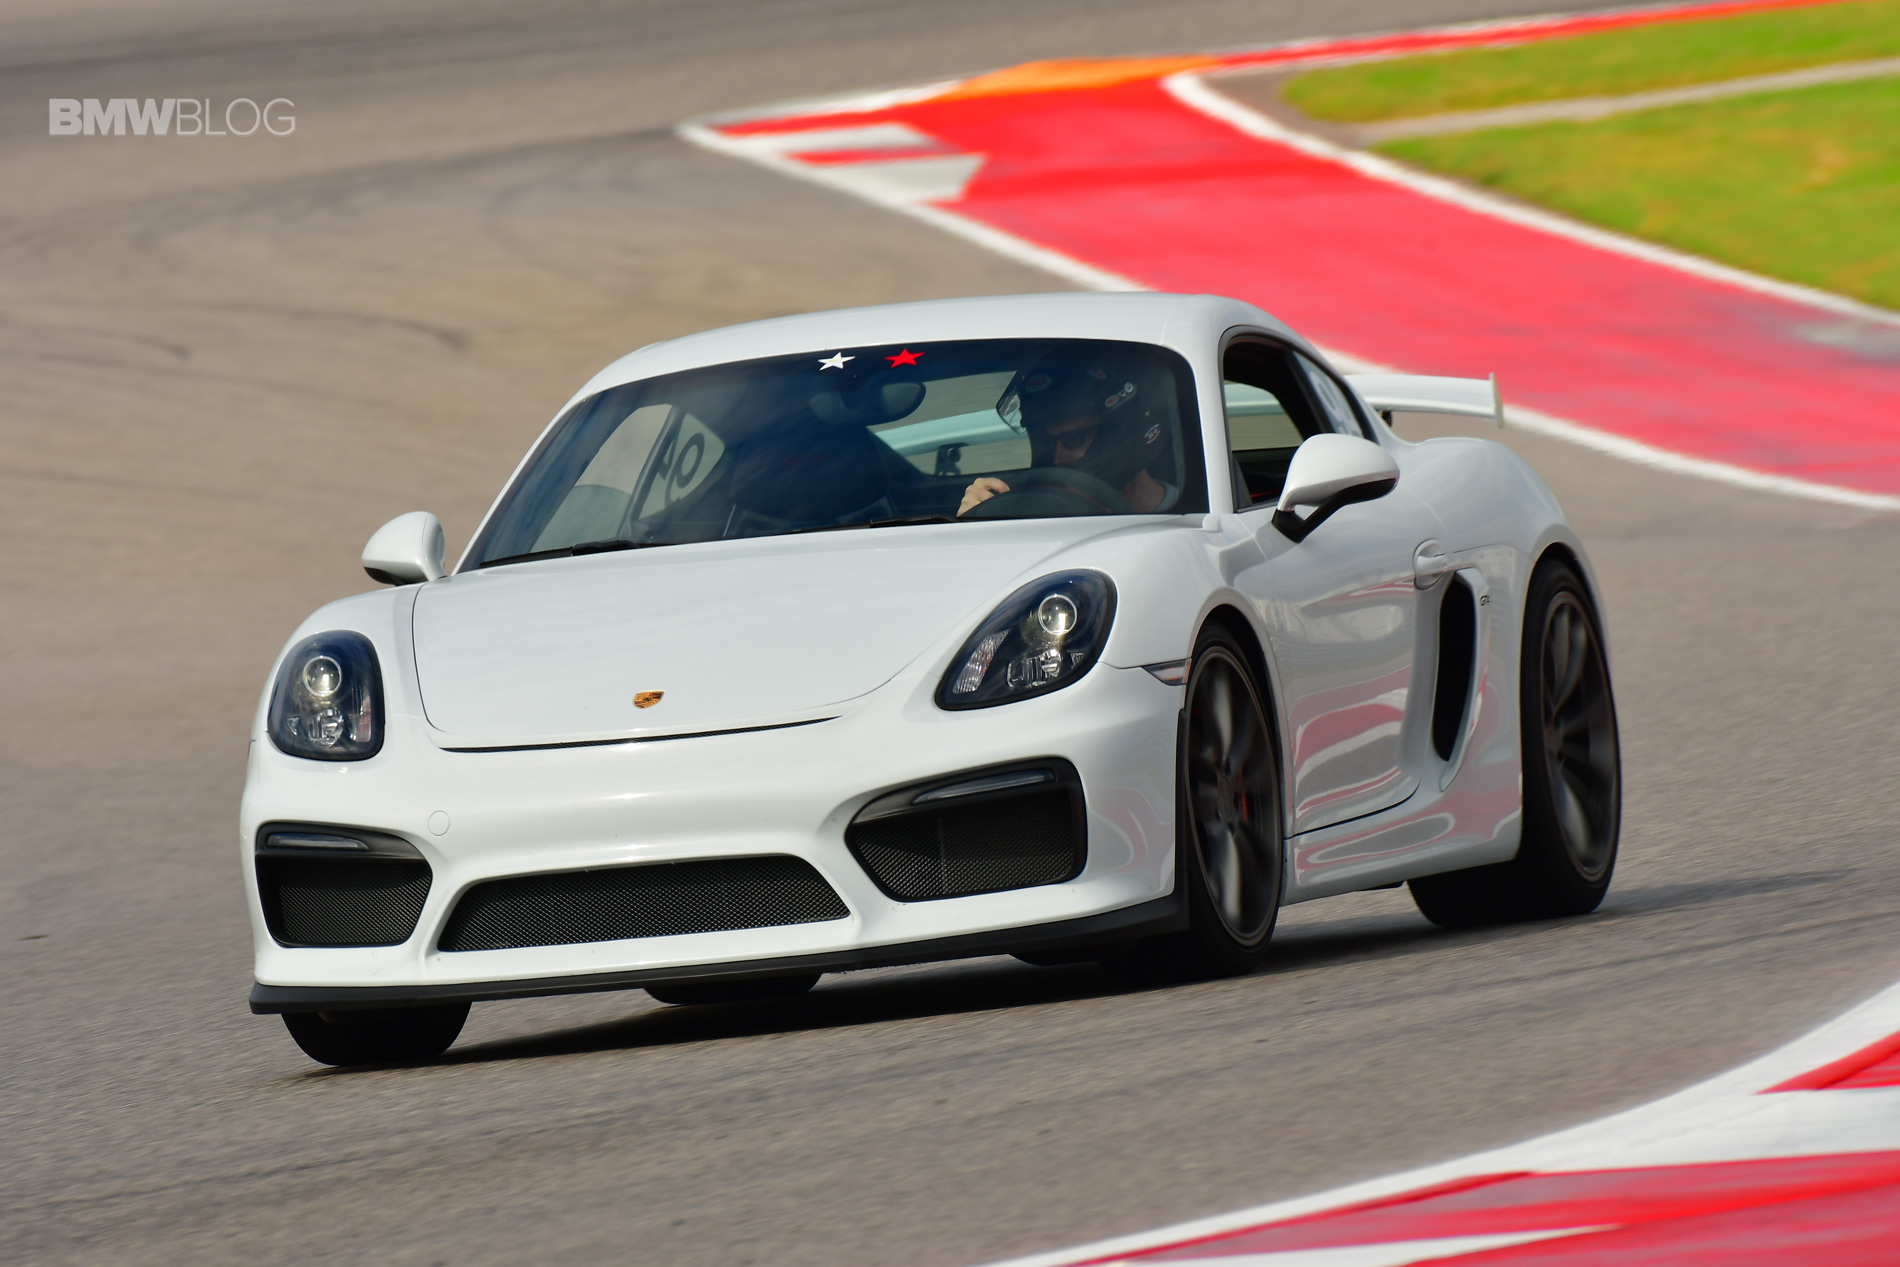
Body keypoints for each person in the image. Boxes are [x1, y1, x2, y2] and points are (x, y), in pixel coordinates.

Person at [958, 357, 1173, 516]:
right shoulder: (1035, 515)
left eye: (1073, 439)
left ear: (1119, 433)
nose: (1056, 457)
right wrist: (977, 517)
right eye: (1045, 442)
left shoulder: (1186, 522)